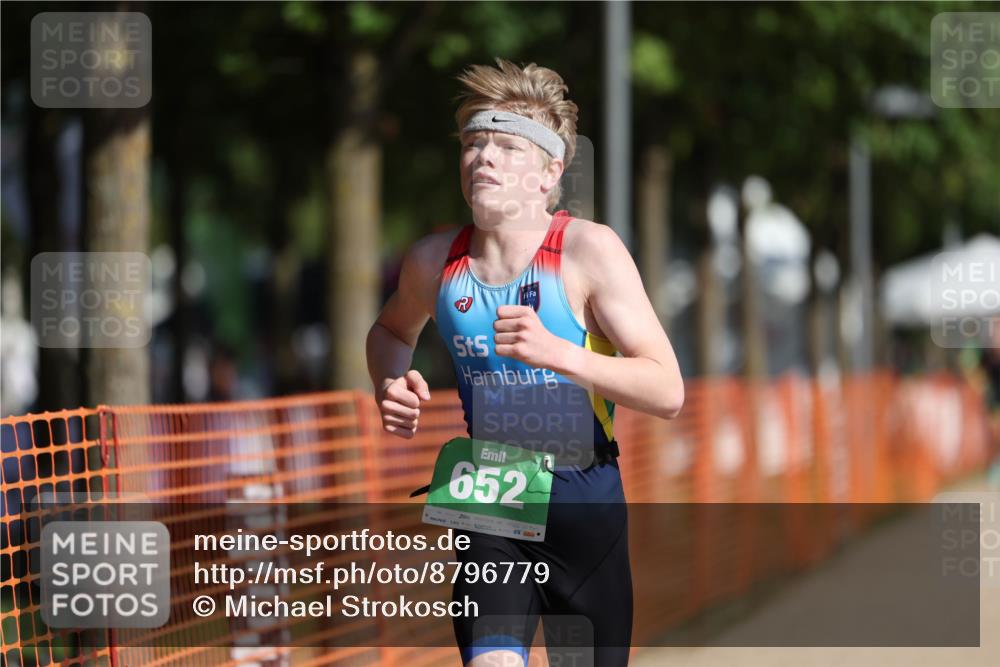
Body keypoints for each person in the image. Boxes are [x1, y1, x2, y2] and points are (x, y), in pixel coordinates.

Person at [366, 58, 684, 667]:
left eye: (508, 147)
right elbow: (389, 332)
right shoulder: (433, 261)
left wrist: (559, 353)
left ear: (549, 172)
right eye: (473, 144)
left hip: (584, 493)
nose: (484, 157)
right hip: (491, 485)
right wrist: (389, 380)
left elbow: (667, 389)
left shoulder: (588, 251)